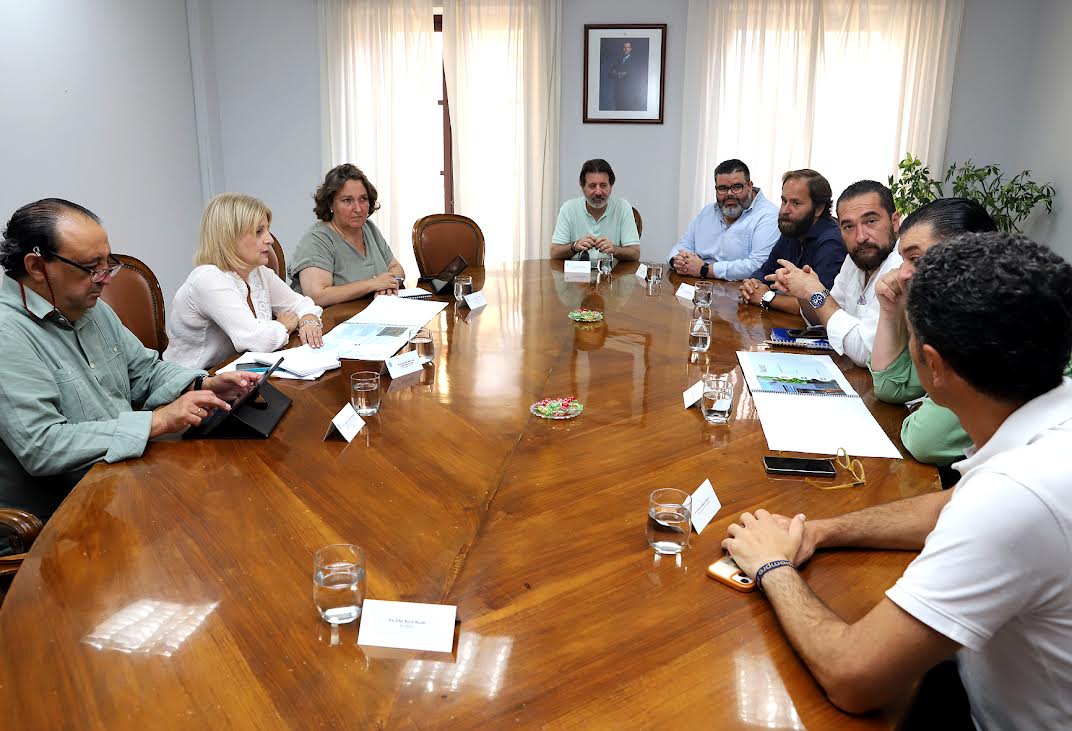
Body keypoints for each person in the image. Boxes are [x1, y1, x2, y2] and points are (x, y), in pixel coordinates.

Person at [721, 231, 1072, 728]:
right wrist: (820, 531)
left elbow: (852, 677)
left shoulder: (1017, 494)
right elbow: (950, 505)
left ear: (933, 365)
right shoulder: (1052, 422)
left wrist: (771, 565)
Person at [0, 199, 253, 524]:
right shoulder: (8, 334)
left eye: (108, 264)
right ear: (37, 267)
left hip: (123, 483)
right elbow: (43, 444)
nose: (105, 279)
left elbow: (144, 372)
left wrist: (202, 383)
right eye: (91, 268)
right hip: (63, 522)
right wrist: (157, 422)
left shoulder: (88, 307)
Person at [164, 193, 323, 370]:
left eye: (267, 229)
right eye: (258, 231)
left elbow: (301, 304)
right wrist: (283, 325)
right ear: (230, 237)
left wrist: (308, 319)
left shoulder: (257, 272)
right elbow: (257, 340)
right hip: (195, 383)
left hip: (239, 372)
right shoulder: (208, 279)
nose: (270, 239)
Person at [766, 180, 902, 366]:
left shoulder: (901, 268)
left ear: (895, 222)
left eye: (871, 221)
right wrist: (804, 294)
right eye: (848, 227)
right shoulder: (856, 259)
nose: (860, 237)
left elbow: (865, 353)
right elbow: (827, 320)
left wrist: (816, 292)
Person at [290, 164, 405, 306]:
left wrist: (387, 284)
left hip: (373, 314)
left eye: (363, 199)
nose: (358, 208)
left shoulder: (368, 228)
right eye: (347, 200)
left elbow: (396, 268)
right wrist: (373, 284)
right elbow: (317, 296)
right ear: (330, 204)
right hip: (329, 322)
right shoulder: (316, 240)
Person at [739, 170, 845, 314]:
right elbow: (765, 272)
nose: (785, 210)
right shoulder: (793, 229)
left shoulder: (832, 243)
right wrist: (752, 285)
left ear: (818, 209)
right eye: (784, 201)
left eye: (796, 203)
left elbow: (822, 305)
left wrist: (766, 297)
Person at [668, 158, 779, 281]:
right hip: (697, 285)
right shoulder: (707, 212)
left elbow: (759, 266)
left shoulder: (768, 215)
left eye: (736, 187)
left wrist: (705, 269)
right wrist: (677, 261)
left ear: (749, 186)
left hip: (741, 292)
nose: (729, 194)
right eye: (722, 188)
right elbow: (683, 245)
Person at [550, 159, 641, 263]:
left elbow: (635, 253)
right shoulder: (568, 208)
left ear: (611, 187)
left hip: (613, 275)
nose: (598, 192)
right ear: (582, 187)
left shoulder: (623, 207)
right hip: (575, 277)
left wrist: (615, 250)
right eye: (592, 186)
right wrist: (574, 246)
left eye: (603, 185)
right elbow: (554, 252)